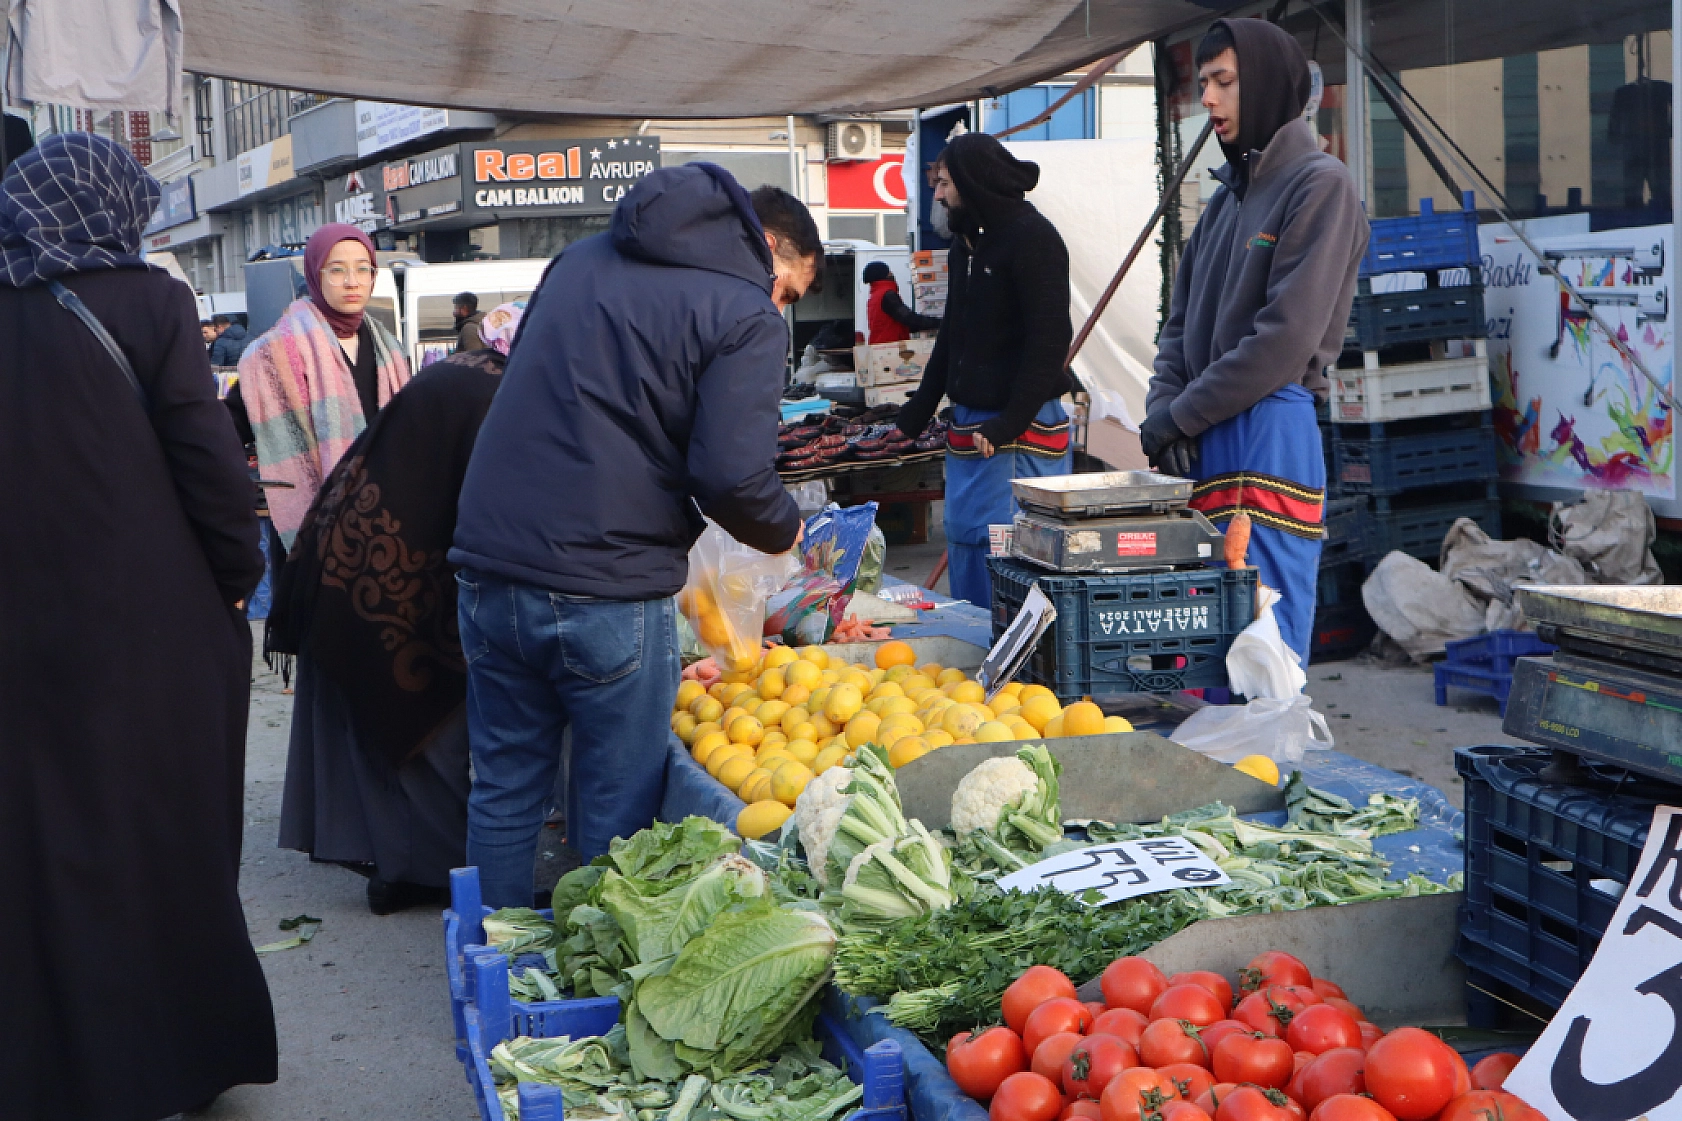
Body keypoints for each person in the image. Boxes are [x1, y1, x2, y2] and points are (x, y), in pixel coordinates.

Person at [450, 166, 818, 908]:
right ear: (770, 246)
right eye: (791, 289)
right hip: (607, 577)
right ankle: (587, 980)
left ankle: (488, 975)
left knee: (505, 785)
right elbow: (731, 477)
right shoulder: (743, 310)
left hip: (491, 556)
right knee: (615, 805)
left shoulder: (581, 257)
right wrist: (789, 530)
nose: (780, 306)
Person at [0, 133, 276, 1119]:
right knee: (165, 831)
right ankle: (170, 1056)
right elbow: (205, 460)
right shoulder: (152, 300)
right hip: (149, 626)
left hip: (25, 632)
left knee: (48, 839)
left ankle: (48, 1065)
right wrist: (240, 575)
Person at [272, 303, 523, 914]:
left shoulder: (482, 371)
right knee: (422, 712)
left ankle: (403, 865)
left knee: (404, 720)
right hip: (383, 565)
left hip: (366, 550)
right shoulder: (497, 391)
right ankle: (424, 872)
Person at [1142, 18, 1369, 662]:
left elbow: (1285, 338)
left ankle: (1268, 767)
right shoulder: (1224, 201)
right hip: (1204, 432)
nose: (1207, 99)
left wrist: (1182, 414)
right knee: (1204, 639)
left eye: (1224, 82)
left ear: (1265, 86)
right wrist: (1164, 411)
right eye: (1203, 84)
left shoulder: (1321, 185)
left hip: (1269, 428)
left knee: (1263, 642)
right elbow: (1178, 322)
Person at [895, 133, 1075, 607]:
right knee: (967, 544)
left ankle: (1021, 673)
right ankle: (974, 667)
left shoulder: (1034, 239)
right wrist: (917, 411)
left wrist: (1009, 421)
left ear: (972, 184)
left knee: (1014, 561)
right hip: (971, 431)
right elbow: (952, 335)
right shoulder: (966, 246)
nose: (937, 194)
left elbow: (1049, 341)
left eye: (945, 183)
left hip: (1019, 432)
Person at [238, 222, 411, 547]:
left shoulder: (389, 350)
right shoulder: (271, 355)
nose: (352, 282)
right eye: (337, 270)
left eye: (364, 270)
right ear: (315, 274)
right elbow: (229, 432)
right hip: (309, 532)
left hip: (385, 525)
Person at [862, 259, 940, 344]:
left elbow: (898, 324)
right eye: (889, 272)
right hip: (891, 348)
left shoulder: (874, 297)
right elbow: (909, 319)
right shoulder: (888, 295)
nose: (891, 273)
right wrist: (940, 323)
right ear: (884, 275)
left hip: (880, 345)